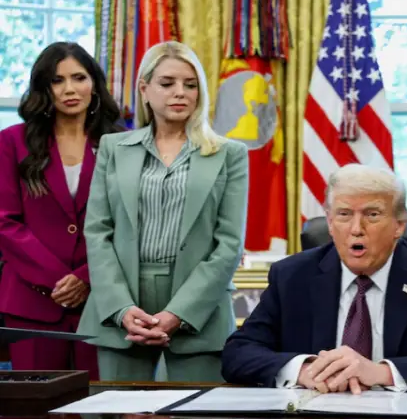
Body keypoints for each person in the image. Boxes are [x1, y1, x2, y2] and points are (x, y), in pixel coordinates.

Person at [221, 164, 407, 392]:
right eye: (344, 215)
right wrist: (304, 370)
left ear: (399, 225)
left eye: (372, 214)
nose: (356, 229)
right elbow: (238, 353)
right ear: (330, 223)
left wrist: (381, 372)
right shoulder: (292, 276)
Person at [77, 41, 249, 382]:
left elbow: (229, 244)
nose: (180, 93)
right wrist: (122, 309)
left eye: (190, 84)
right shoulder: (113, 148)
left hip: (200, 310)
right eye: (167, 83)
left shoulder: (229, 154)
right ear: (144, 89)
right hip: (121, 308)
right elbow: (97, 232)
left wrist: (178, 313)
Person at [0, 42, 122, 378]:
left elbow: (129, 224)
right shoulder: (11, 142)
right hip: (31, 303)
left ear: (94, 84)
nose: (69, 89)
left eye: (79, 77)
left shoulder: (120, 143)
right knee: (33, 416)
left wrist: (86, 277)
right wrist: (59, 280)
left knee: (99, 414)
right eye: (57, 80)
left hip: (103, 301)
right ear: (44, 88)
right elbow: (4, 222)